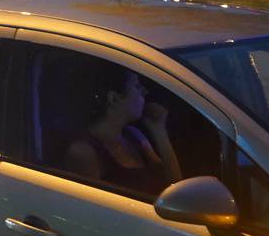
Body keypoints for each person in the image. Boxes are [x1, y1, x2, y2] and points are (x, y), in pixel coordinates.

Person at [60, 63, 181, 198]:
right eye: (136, 86)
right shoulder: (84, 152)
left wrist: (159, 130)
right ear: (114, 98)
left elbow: (174, 187)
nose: (144, 91)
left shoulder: (134, 135)